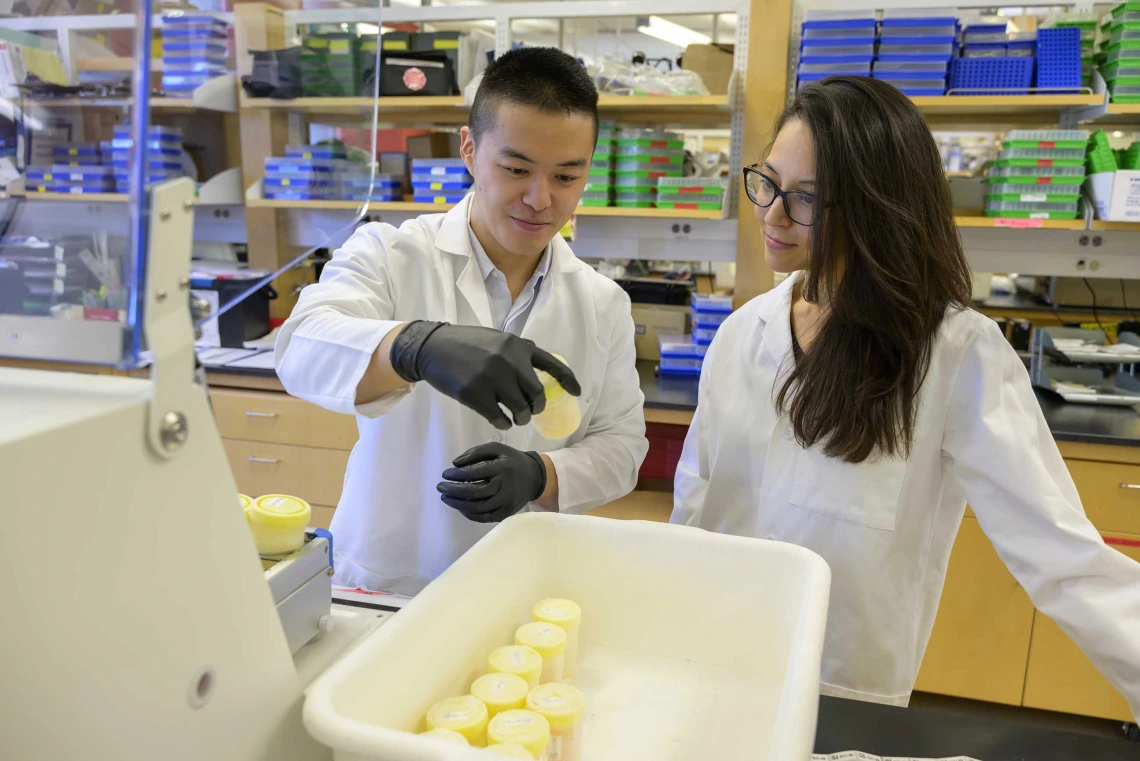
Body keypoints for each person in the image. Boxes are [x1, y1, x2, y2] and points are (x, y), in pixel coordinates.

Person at [672, 76, 1140, 717]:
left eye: (806, 199)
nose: (772, 214)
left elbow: (1062, 553)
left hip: (840, 683)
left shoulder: (954, 353)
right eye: (768, 183)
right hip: (716, 651)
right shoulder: (742, 331)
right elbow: (696, 499)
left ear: (876, 207)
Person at [276, 47, 647, 595]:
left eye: (566, 176)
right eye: (516, 169)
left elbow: (623, 445)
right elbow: (299, 349)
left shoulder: (602, 303)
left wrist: (541, 473)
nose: (540, 199)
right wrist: (415, 347)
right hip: (389, 577)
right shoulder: (390, 253)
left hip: (523, 582)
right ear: (469, 150)